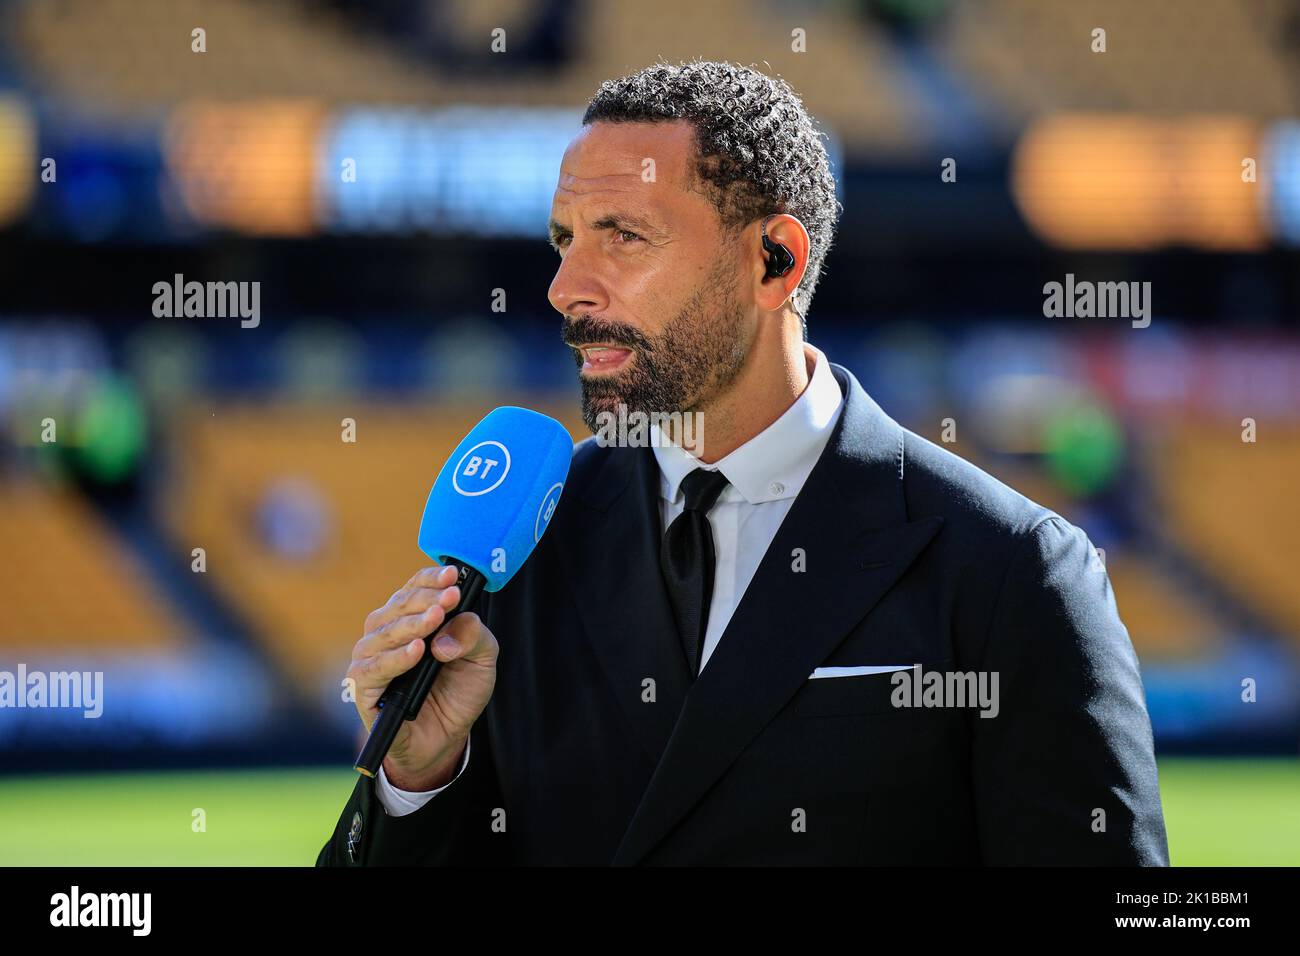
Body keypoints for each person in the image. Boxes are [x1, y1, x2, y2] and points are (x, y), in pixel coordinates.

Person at [318, 60, 1168, 866]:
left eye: (622, 236)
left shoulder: (1014, 570)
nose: (564, 286)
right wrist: (419, 779)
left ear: (775, 261)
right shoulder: (523, 542)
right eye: (564, 238)